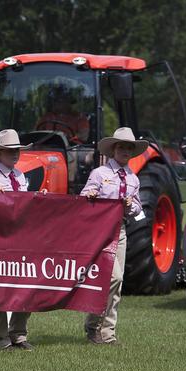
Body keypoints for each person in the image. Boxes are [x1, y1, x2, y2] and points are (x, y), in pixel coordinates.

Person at [80, 127, 145, 345]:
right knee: (112, 278)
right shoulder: (100, 174)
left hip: (121, 230)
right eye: (122, 147)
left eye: (129, 148)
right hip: (100, 232)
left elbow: (138, 207)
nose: (125, 151)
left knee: (118, 283)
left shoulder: (133, 178)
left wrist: (131, 206)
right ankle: (93, 325)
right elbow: (84, 198)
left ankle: (108, 333)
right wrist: (91, 195)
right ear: (113, 149)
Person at [0, 129, 34, 351]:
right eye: (10, 150)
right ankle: (0, 337)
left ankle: (18, 333)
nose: (15, 154)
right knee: (0, 286)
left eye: (17, 150)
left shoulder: (20, 176)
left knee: (26, 282)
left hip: (21, 235)